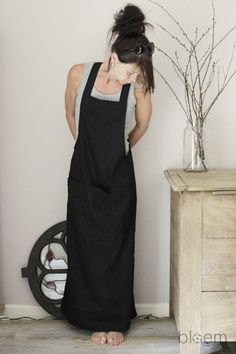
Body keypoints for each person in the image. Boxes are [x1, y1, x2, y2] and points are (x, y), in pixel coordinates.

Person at [60, 3, 155, 347]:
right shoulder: (78, 74)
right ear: (114, 57)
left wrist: (121, 147)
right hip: (83, 173)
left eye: (138, 73)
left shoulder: (139, 84)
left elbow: (142, 125)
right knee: (85, 245)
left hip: (118, 178)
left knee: (116, 248)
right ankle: (86, 318)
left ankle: (112, 322)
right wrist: (84, 144)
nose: (134, 77)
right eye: (131, 71)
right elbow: (70, 112)